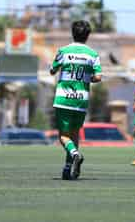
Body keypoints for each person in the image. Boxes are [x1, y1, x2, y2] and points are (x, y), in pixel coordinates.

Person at [50, 20, 102, 180]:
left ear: (72, 33)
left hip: (64, 99)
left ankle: (74, 154)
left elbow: (52, 70)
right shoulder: (93, 54)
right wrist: (87, 78)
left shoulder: (63, 51)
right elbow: (98, 77)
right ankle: (68, 169)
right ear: (88, 36)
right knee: (74, 135)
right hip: (81, 100)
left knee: (63, 136)